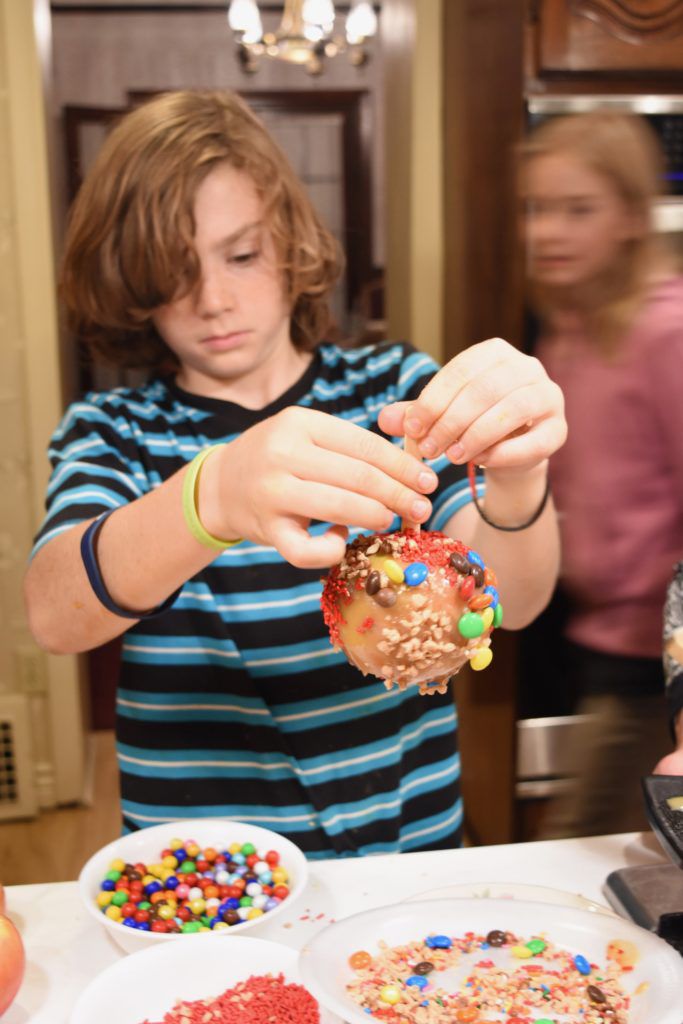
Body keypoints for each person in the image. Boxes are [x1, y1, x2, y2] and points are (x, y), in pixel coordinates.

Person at [24, 90, 566, 858]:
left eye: (241, 254)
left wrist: (518, 472)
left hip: (402, 851)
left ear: (289, 241)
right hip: (208, 871)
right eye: (171, 271)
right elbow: (56, 613)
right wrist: (211, 496)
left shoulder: (393, 393)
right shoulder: (114, 432)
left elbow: (513, 600)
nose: (213, 300)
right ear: (131, 282)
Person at [518, 111, 683, 837]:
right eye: (535, 209)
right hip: (596, 633)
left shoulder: (665, 330)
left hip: (658, 658)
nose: (547, 232)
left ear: (627, 217)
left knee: (589, 845)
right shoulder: (569, 326)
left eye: (576, 210)